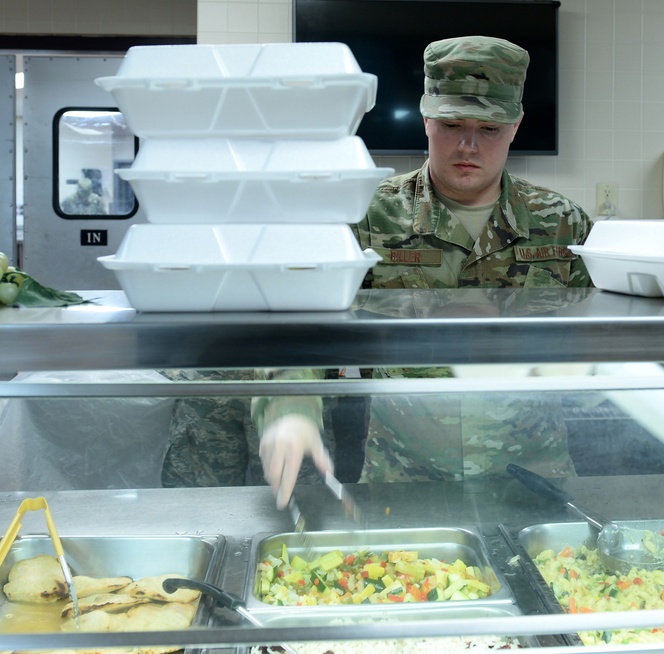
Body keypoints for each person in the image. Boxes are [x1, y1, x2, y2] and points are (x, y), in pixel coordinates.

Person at [163, 36, 595, 507]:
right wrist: (290, 405)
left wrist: (587, 368)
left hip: (533, 477)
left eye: (490, 129)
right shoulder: (367, 216)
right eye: (452, 124)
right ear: (426, 118)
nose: (469, 145)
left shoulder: (562, 223)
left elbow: (605, 344)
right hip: (405, 478)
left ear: (515, 127)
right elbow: (306, 321)